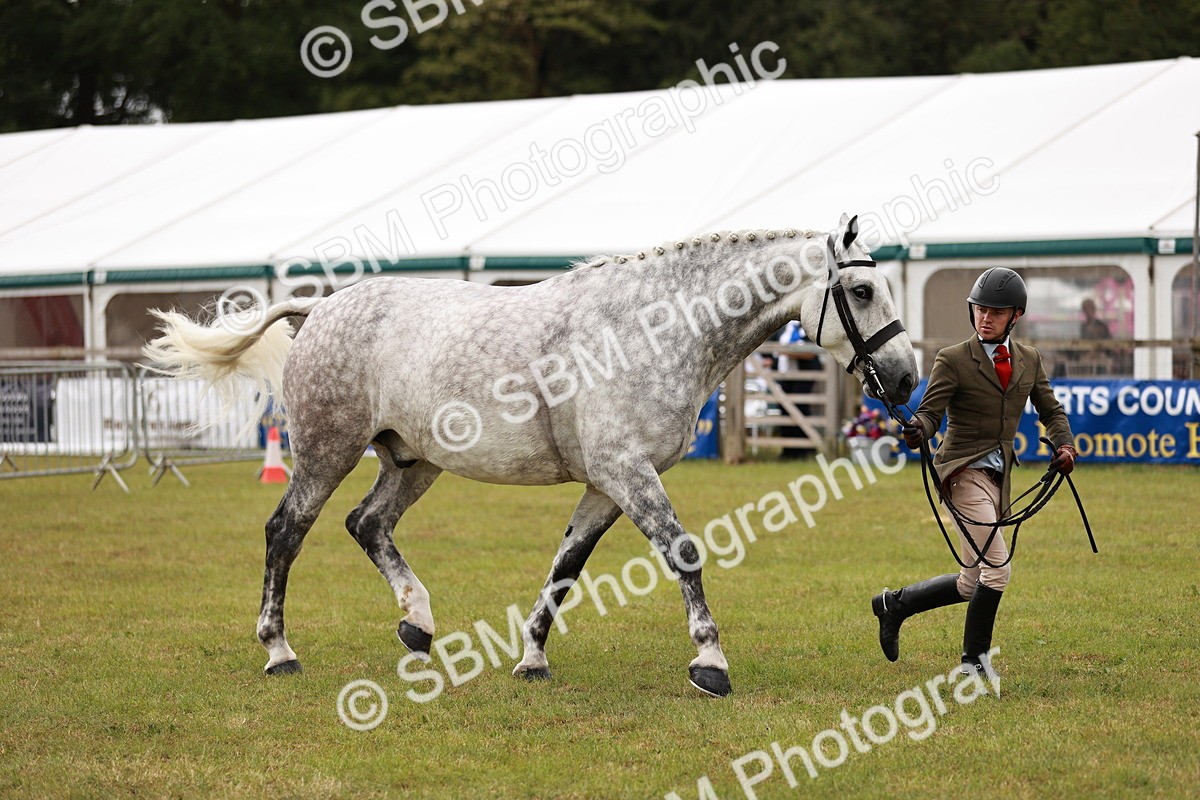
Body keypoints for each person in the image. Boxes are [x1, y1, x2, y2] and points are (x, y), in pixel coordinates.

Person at [871, 268, 1077, 676]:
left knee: (971, 582)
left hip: (998, 478)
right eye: (980, 310)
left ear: (1015, 316)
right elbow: (929, 414)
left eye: (995, 313)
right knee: (997, 568)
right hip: (961, 473)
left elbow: (1051, 411)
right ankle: (974, 664)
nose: (985, 318)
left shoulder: (1029, 360)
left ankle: (894, 605)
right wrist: (919, 430)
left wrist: (1065, 444)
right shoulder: (952, 359)